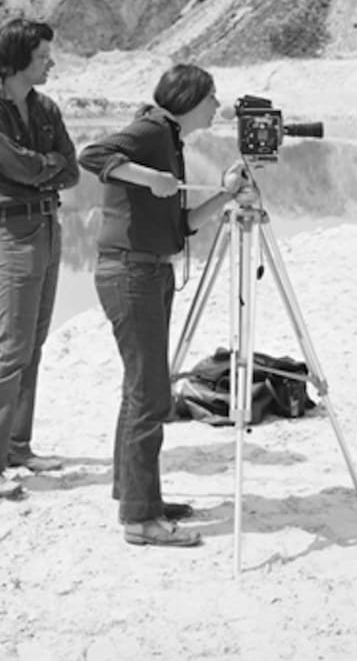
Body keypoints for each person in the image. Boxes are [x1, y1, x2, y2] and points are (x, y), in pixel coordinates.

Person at [78, 63, 246, 547]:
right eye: (212, 97)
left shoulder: (169, 139)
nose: (217, 106)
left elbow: (182, 225)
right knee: (150, 394)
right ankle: (140, 519)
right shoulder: (153, 130)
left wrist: (226, 195)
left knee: (142, 389)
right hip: (132, 273)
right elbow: (92, 155)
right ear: (191, 99)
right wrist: (148, 176)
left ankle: (137, 497)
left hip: (148, 270)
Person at [0, 18, 79, 499]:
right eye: (43, 56)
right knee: (12, 347)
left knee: (34, 343)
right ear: (16, 60)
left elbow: (70, 168)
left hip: (48, 226)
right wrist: (42, 168)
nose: (51, 62)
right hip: (11, 232)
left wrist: (42, 171)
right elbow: (17, 167)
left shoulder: (45, 107)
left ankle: (16, 445)